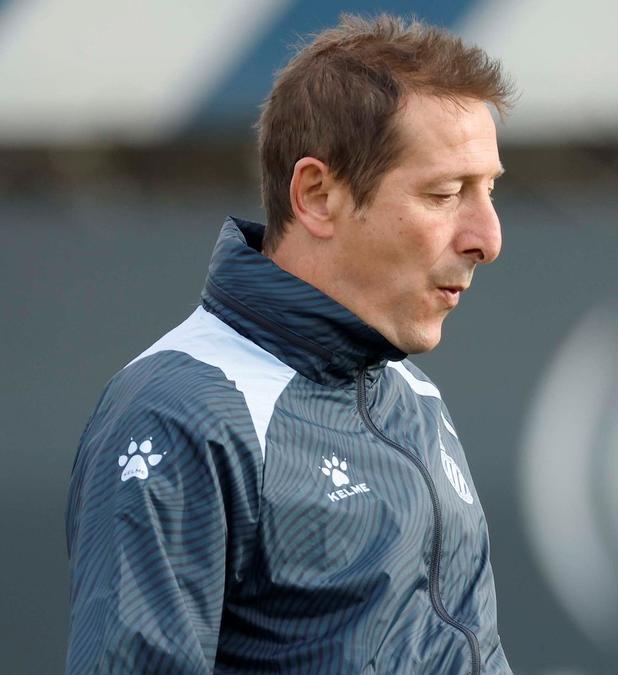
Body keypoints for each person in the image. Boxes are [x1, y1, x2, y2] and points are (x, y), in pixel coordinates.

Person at [65, 15, 514, 674]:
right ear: (317, 195)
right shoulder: (176, 412)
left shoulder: (414, 399)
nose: (488, 237)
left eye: (490, 191)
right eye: (445, 193)